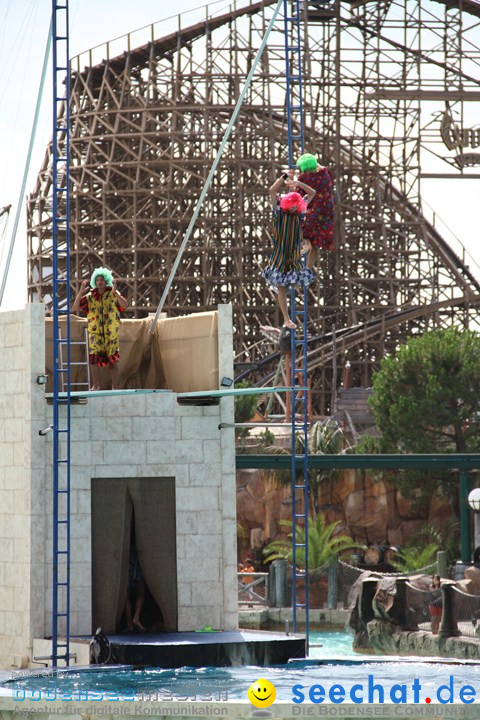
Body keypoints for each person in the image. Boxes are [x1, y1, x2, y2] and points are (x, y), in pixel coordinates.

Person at [263, 174, 316, 329]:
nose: (294, 207)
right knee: (282, 287)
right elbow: (272, 191)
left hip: (293, 254)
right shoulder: (278, 210)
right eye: (292, 205)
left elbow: (312, 193)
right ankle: (286, 319)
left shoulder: (299, 213)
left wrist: (299, 183)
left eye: (296, 205)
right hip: (280, 255)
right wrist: (283, 177)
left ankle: (306, 250)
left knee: (296, 281)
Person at [72, 267, 127, 390]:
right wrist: (81, 292)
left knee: (112, 358)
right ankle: (95, 385)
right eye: (97, 280)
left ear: (106, 281)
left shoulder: (112, 294)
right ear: (94, 282)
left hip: (110, 331)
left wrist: (115, 292)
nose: (100, 282)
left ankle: (115, 386)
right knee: (94, 357)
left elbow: (124, 305)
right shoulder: (91, 297)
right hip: (96, 331)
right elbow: (75, 307)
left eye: (102, 280)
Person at [296, 152, 335, 269]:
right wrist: (310, 157)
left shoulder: (304, 178)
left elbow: (298, 195)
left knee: (297, 224)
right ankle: (307, 270)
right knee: (316, 243)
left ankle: (305, 242)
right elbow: (321, 167)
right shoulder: (325, 173)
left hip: (314, 211)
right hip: (328, 211)